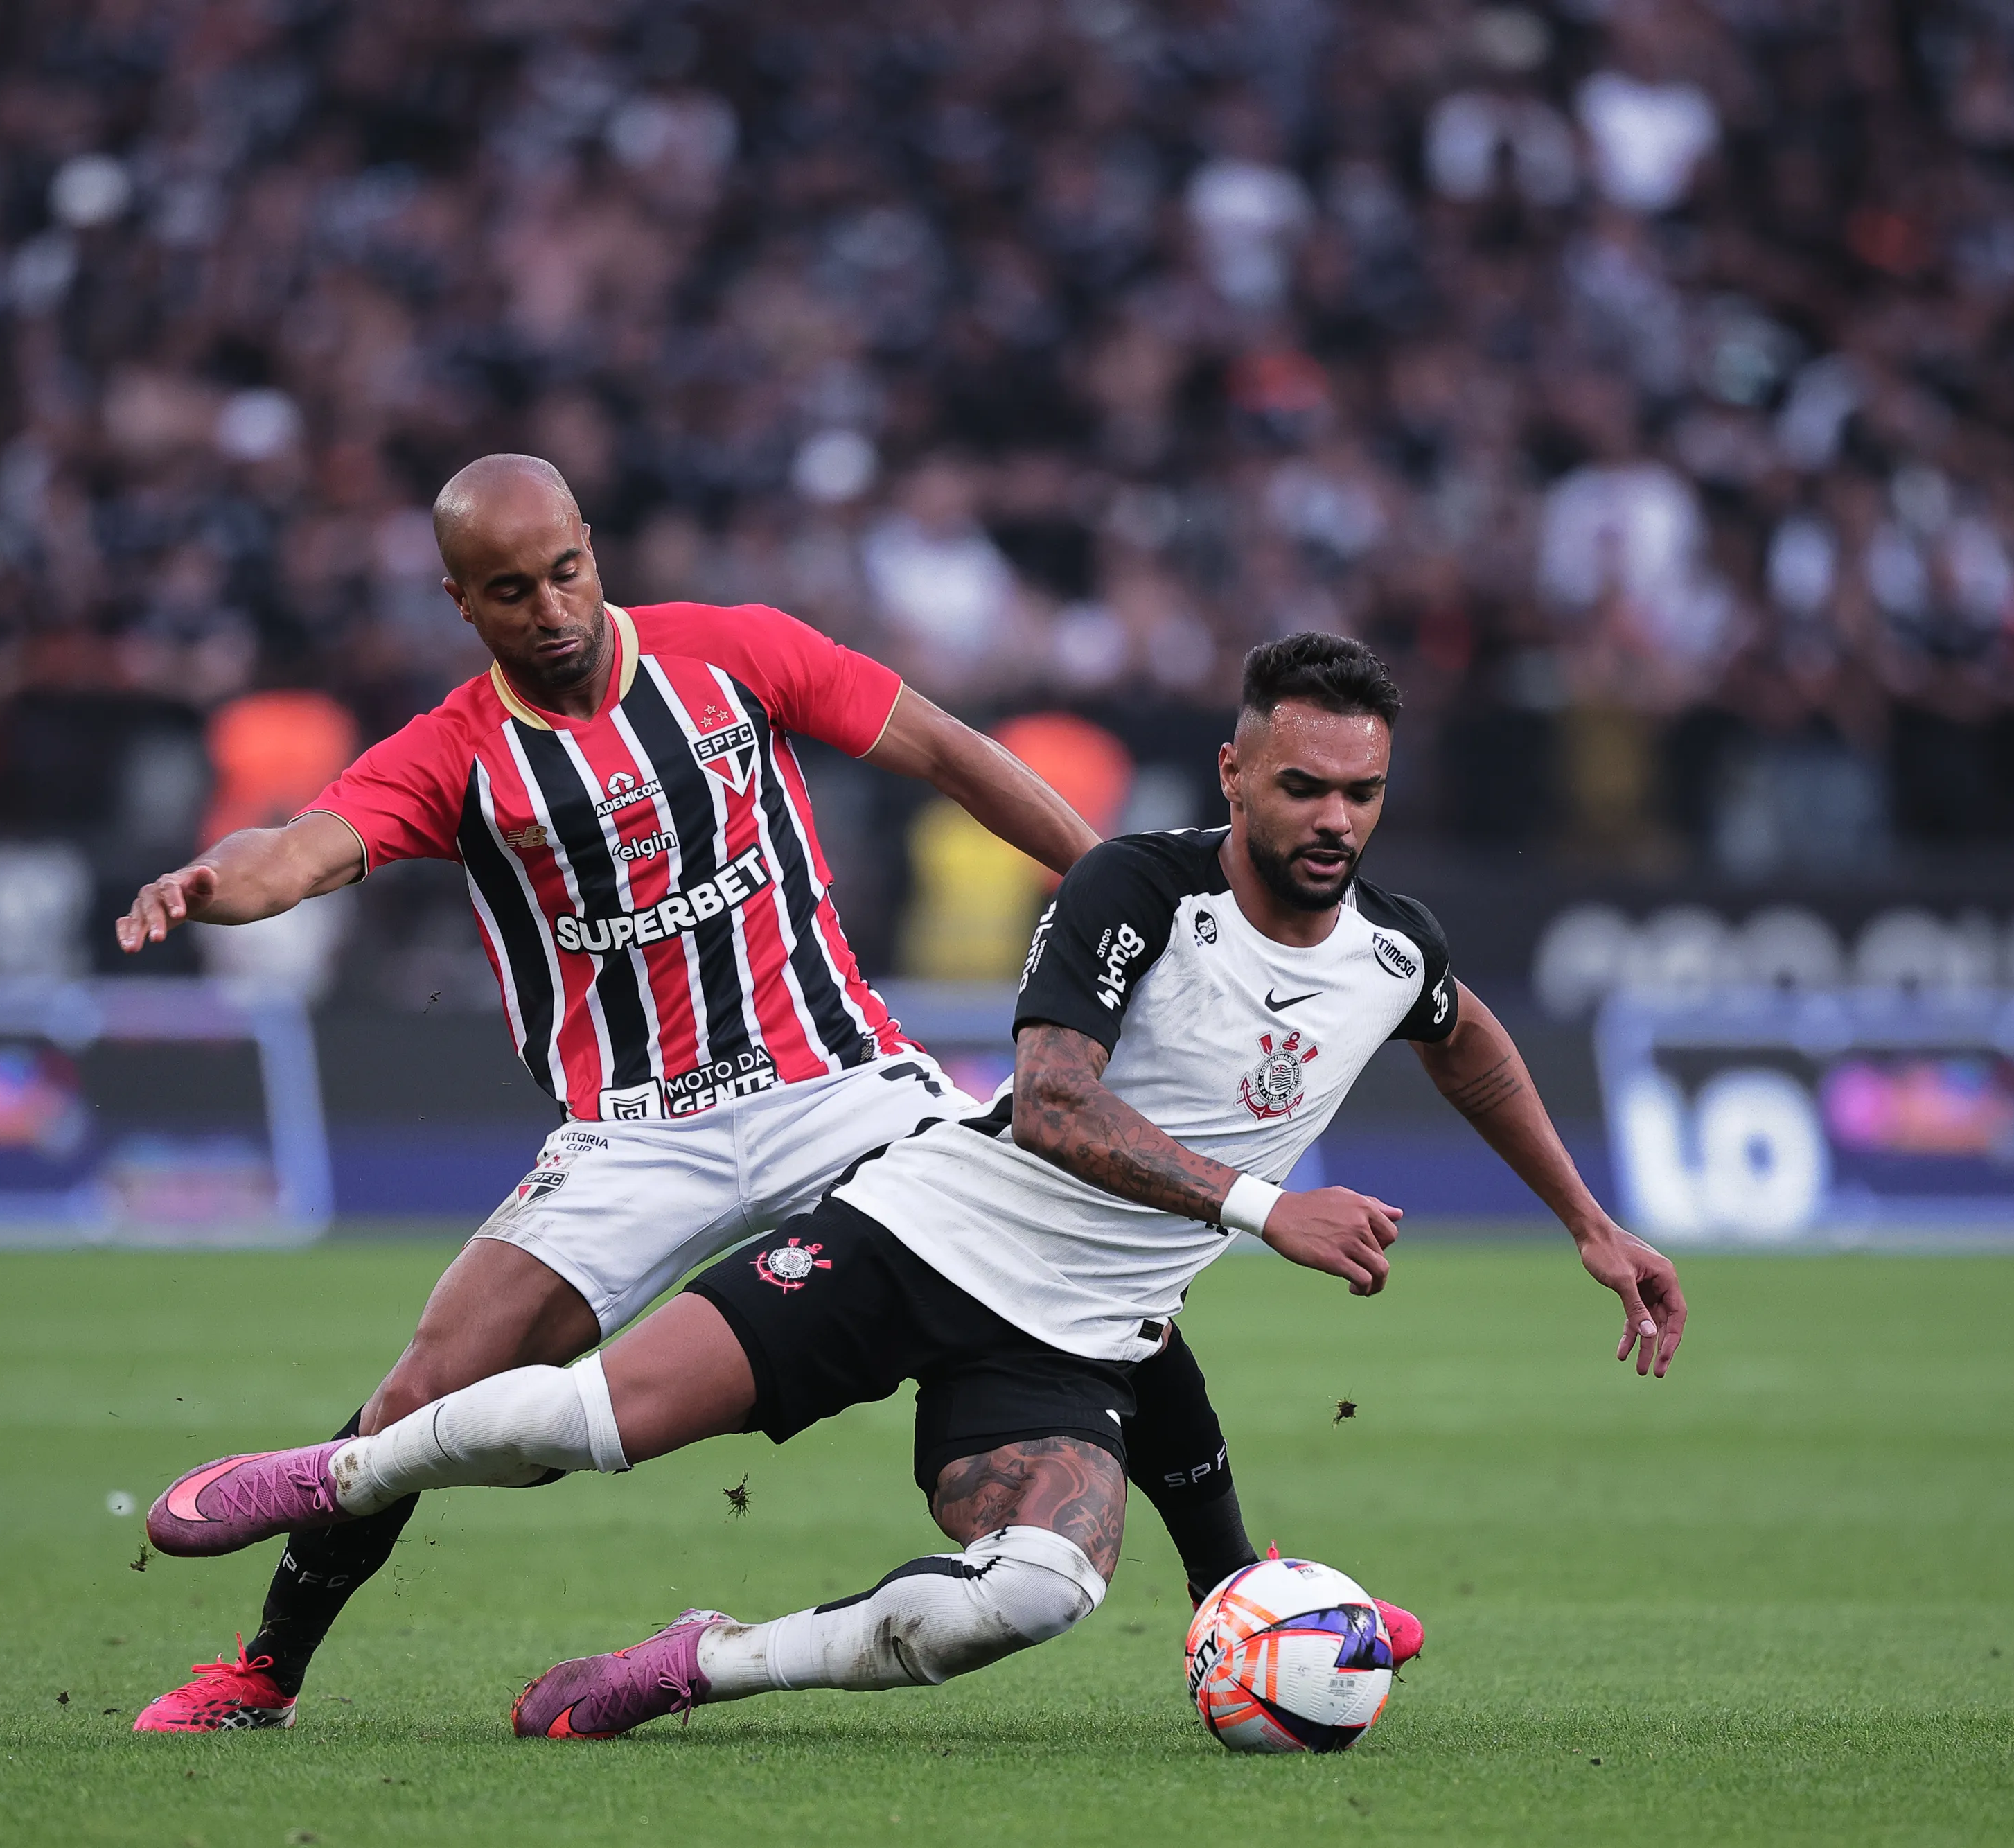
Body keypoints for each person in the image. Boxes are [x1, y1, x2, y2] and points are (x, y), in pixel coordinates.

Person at [143, 633, 1688, 1739]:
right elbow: (1054, 1105)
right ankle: (333, 1481)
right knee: (574, 1424)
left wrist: (1590, 1220)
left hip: (1043, 1330)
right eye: (1302, 786)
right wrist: (1260, 1205)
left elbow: (1464, 1033)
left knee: (1025, 1599)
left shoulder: (1390, 944)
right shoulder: (1135, 889)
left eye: (1360, 792)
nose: (1334, 821)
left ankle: (708, 1660)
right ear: (1236, 771)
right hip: (905, 1231)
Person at [113, 455, 1275, 1730]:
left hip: (842, 1085)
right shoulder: (457, 752)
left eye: (566, 572)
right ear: (462, 602)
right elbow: (290, 850)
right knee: (419, 1397)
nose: (551, 610)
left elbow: (951, 752)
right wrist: (211, 882)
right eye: (512, 592)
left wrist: (1135, 895)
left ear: (592, 547)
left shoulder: (732, 651)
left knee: (1088, 1264)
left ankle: (1238, 1588)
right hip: (634, 1131)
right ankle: (263, 1673)